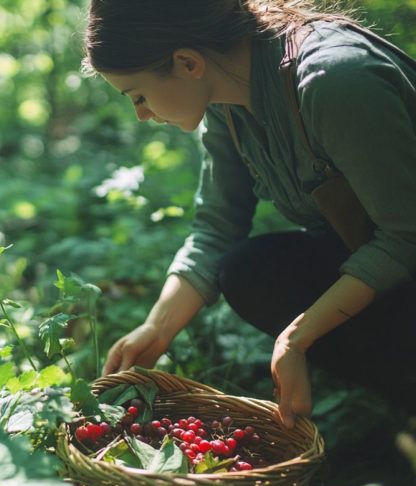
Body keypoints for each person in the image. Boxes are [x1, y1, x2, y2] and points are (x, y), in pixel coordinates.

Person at [87, 0, 416, 428]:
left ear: (187, 62)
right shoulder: (226, 102)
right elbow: (217, 227)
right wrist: (157, 328)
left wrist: (297, 338)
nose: (142, 113)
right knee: (250, 272)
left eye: (139, 95)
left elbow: (406, 233)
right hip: (385, 261)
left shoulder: (334, 81)